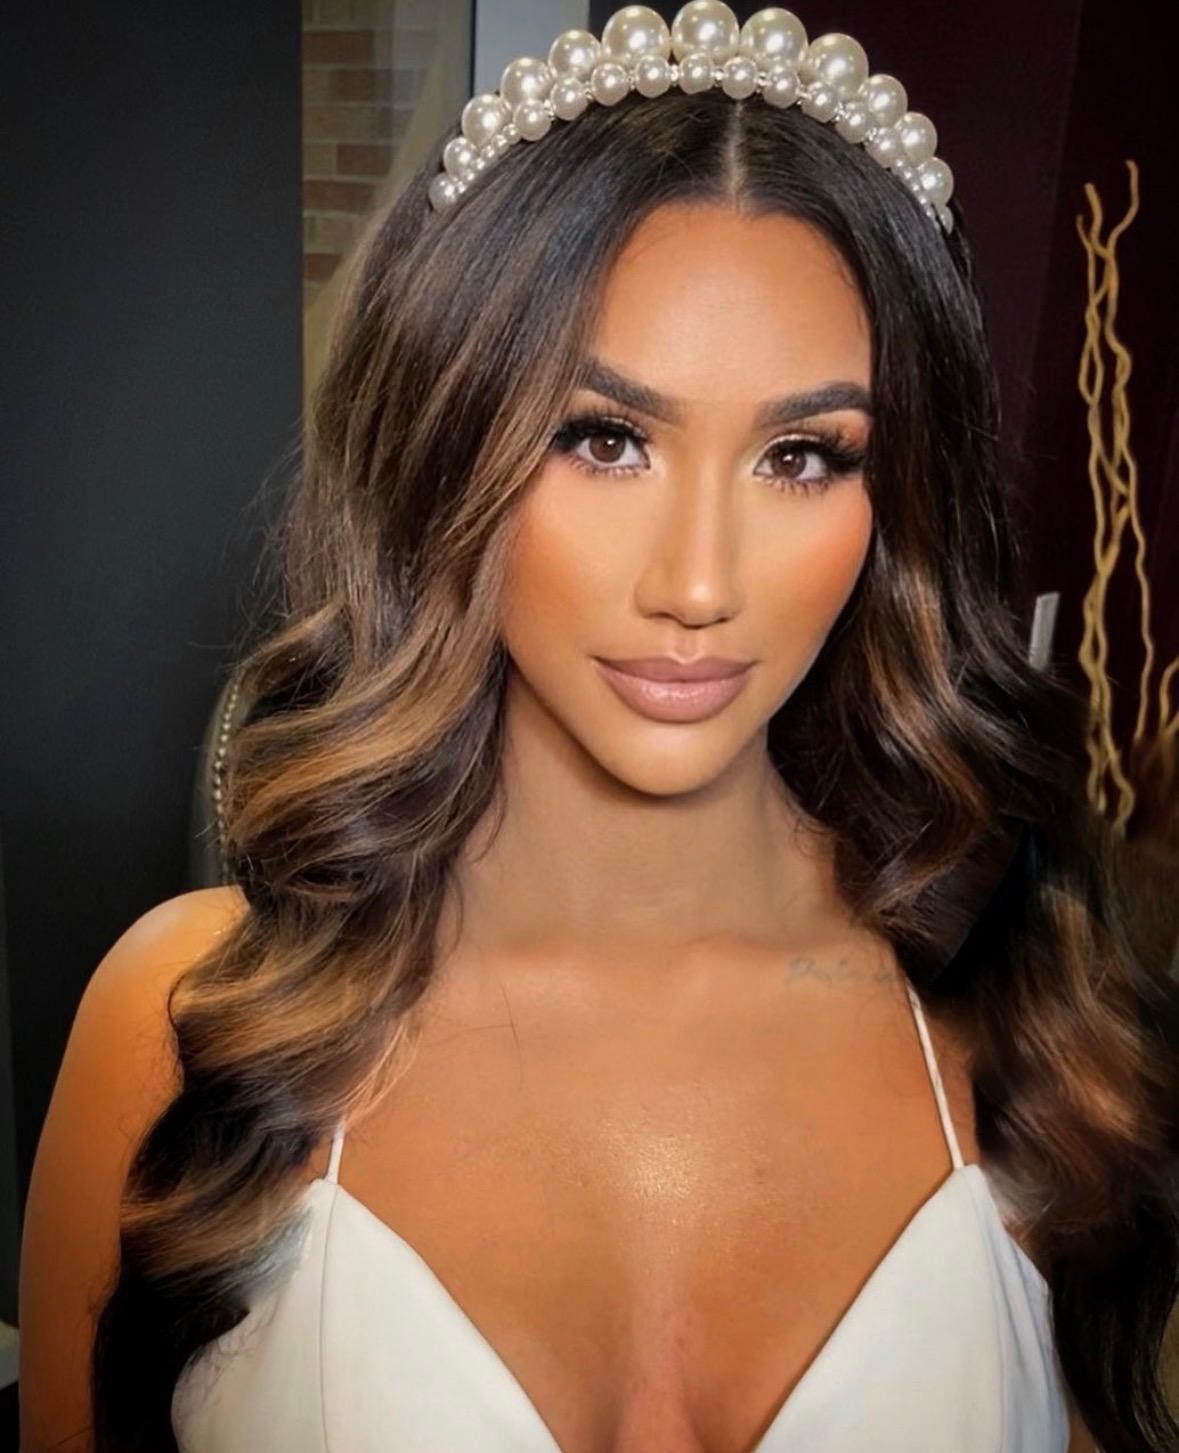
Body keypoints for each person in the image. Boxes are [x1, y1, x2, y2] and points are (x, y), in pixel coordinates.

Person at [19, 5, 1179, 1451]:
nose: (696, 583)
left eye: (802, 456)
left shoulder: (1035, 1022)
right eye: (605, 438)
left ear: (899, 504)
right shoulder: (183, 1026)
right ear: (451, 445)